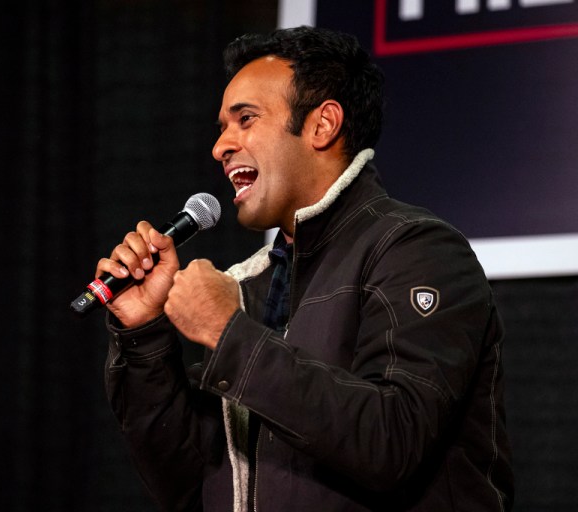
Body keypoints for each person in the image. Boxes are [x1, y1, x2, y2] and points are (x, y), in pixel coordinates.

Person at [95, 26, 514, 511]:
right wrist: (145, 334)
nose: (220, 146)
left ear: (322, 125)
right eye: (222, 127)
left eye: (245, 119)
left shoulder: (417, 248)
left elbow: (393, 441)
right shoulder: (247, 284)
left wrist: (229, 334)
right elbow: (186, 486)